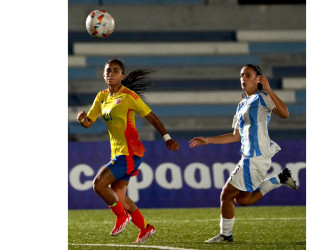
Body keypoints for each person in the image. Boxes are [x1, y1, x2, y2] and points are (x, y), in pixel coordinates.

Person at [189, 64, 298, 243]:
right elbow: (235, 136)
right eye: (242, 75)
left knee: (226, 195)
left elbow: (285, 113)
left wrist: (269, 88)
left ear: (258, 79)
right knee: (242, 200)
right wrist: (207, 140)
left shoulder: (263, 97)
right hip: (249, 156)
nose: (243, 79)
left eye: (248, 75)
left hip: (255, 156)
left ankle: (226, 235)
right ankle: (278, 179)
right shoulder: (242, 104)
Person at [77, 59, 180, 243]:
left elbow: (151, 116)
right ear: (103, 74)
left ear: (122, 76)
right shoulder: (101, 97)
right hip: (117, 153)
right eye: (108, 70)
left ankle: (122, 217)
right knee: (120, 198)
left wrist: (167, 138)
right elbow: (88, 123)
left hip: (130, 153)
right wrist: (82, 119)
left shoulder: (129, 96)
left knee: (98, 184)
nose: (111, 73)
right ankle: (145, 228)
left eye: (115, 71)